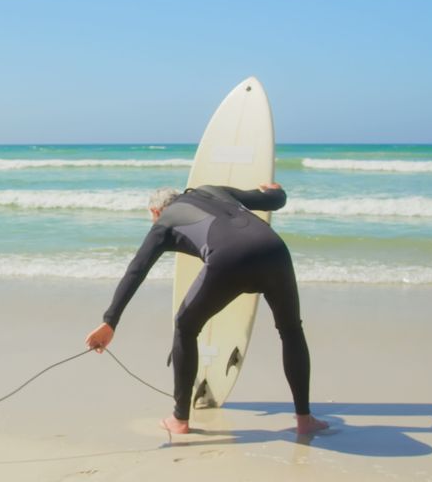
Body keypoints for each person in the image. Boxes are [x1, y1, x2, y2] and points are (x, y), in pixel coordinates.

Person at [84, 183, 329, 435]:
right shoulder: (211, 190)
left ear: (155, 212)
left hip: (229, 259)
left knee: (185, 326)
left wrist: (110, 321)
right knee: (290, 330)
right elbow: (274, 201)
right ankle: (305, 420)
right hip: (275, 250)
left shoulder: (164, 222)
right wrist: (276, 191)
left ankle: (179, 420)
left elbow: (136, 270)